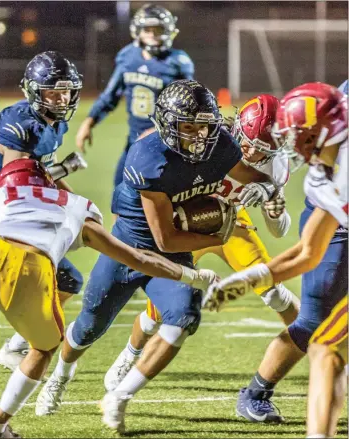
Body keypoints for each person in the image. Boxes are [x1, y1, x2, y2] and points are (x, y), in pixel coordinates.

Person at [36, 79, 279, 433]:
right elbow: (164, 239)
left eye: (205, 126)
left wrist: (264, 186)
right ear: (168, 125)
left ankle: (120, 396)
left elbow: (248, 174)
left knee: (184, 315)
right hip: (131, 248)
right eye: (189, 127)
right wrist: (220, 232)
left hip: (174, 254)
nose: (199, 135)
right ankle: (60, 376)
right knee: (89, 326)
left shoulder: (222, 146)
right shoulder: (149, 158)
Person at [0, 158, 218, 438]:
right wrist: (193, 277)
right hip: (28, 265)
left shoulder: (1, 195)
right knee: (42, 349)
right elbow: (137, 258)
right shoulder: (73, 204)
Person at [103, 94, 300, 393]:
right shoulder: (211, 140)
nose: (250, 153)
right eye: (248, 143)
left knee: (272, 289)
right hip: (189, 220)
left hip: (233, 222)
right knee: (159, 307)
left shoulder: (275, 166)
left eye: (261, 151)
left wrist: (273, 203)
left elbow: (279, 231)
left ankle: (326, 343)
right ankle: (130, 353)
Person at [204, 82, 348, 428]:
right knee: (324, 343)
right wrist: (244, 282)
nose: (290, 145)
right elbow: (308, 252)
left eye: (298, 135)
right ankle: (259, 395)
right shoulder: (320, 176)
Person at [0, 51, 88, 372]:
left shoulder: (56, 123)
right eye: (53, 91)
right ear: (34, 91)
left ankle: (17, 345)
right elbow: (16, 185)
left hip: (17, 214)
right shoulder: (19, 125)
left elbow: (36, 174)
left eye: (66, 90)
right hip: (7, 216)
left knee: (67, 280)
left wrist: (68, 189)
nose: (62, 98)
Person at [76, 3, 194, 190]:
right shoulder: (128, 56)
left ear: (169, 31)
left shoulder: (178, 61)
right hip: (134, 140)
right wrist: (89, 121)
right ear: (137, 30)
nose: (152, 34)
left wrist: (163, 131)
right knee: (121, 192)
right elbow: (111, 95)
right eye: (147, 29)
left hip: (167, 143)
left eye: (158, 29)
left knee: (163, 195)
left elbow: (189, 107)